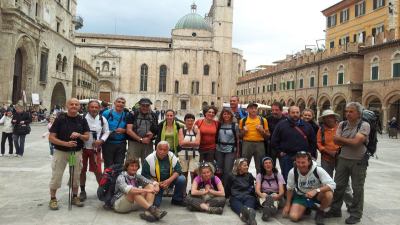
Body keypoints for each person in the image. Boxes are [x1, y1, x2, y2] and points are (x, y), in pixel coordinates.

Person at [325, 102, 370, 224]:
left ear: (359, 113)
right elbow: (336, 140)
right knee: (339, 186)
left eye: (351, 111)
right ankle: (335, 210)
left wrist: (343, 140)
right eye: (346, 111)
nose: (348, 114)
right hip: (343, 159)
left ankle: (356, 214)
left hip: (358, 161)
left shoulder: (364, 125)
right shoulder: (342, 124)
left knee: (357, 189)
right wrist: (350, 140)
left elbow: (356, 143)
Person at [48, 98, 90, 210]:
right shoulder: (60, 119)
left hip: (74, 154)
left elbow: (87, 137)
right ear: (67, 105)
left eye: (76, 104)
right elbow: (51, 137)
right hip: (61, 153)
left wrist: (79, 135)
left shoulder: (82, 120)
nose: (74, 106)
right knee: (57, 175)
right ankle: (53, 199)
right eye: (72, 104)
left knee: (75, 175)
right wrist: (65, 144)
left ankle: (75, 196)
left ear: (79, 107)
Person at [283, 152, 336, 225]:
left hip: (317, 194)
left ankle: (320, 211)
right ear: (295, 162)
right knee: (293, 217)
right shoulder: (292, 172)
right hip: (301, 195)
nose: (301, 165)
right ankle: (308, 206)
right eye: (298, 162)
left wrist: (316, 190)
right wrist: (287, 205)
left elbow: (332, 185)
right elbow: (289, 189)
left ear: (309, 161)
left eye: (303, 162)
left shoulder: (318, 169)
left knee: (329, 194)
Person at [317, 109, 353, 210]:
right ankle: (329, 202)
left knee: (344, 182)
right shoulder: (321, 129)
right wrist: (328, 151)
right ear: (323, 119)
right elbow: (318, 143)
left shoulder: (341, 127)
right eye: (326, 117)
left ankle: (350, 204)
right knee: (326, 181)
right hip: (326, 158)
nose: (329, 119)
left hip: (341, 158)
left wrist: (338, 152)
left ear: (334, 117)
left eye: (331, 117)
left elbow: (346, 141)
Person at [271, 106, 316, 182]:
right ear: (288, 113)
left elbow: (313, 141)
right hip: (287, 157)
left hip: (303, 157)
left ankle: (300, 193)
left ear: (300, 113)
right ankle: (287, 193)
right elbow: (274, 140)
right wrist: (279, 152)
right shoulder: (281, 125)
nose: (295, 114)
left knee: (303, 177)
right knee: (287, 177)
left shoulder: (307, 125)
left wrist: (310, 153)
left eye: (297, 112)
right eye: (293, 112)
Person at [79, 100, 110, 201]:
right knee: (81, 170)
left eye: (96, 107)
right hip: (82, 149)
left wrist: (101, 140)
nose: (94, 109)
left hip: (95, 150)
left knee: (98, 171)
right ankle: (82, 191)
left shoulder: (102, 119)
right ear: (88, 108)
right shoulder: (81, 118)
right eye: (92, 107)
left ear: (99, 108)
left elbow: (107, 132)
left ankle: (101, 190)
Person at [141, 141, 186, 207]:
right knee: (156, 204)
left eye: (165, 150)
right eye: (160, 149)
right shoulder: (148, 159)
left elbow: (178, 170)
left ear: (168, 150)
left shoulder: (172, 156)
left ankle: (177, 199)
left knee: (182, 179)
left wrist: (168, 181)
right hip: (155, 183)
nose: (162, 152)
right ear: (156, 149)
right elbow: (144, 176)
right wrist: (156, 183)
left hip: (168, 181)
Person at [239, 103, 269, 174]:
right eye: (251, 108)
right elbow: (239, 136)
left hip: (259, 144)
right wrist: (244, 131)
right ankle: (244, 182)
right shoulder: (243, 121)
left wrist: (262, 131)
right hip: (246, 143)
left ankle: (259, 182)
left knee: (260, 166)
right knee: (244, 164)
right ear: (247, 110)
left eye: (255, 108)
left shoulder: (263, 120)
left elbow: (268, 135)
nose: (254, 110)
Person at [226, 158, 258, 225]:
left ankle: (245, 216)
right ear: (239, 167)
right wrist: (227, 197)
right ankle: (249, 218)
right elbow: (228, 188)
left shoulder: (249, 175)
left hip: (248, 197)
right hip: (235, 198)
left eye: (247, 165)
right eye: (244, 165)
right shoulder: (231, 176)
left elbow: (252, 188)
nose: (247, 167)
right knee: (243, 209)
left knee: (248, 207)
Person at [126, 98, 158, 163]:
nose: (145, 107)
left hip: (148, 143)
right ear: (139, 105)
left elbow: (155, 129)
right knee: (131, 163)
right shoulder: (133, 114)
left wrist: (151, 135)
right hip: (134, 143)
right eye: (143, 105)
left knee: (148, 164)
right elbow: (129, 130)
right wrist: (141, 140)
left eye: (147, 106)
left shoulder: (153, 115)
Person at [255, 157, 285, 221]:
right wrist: (261, 194)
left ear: (272, 165)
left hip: (275, 194)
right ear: (263, 166)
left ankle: (267, 210)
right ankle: (271, 209)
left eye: (269, 163)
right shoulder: (260, 175)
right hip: (265, 194)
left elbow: (282, 191)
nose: (268, 165)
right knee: (265, 198)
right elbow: (257, 190)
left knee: (273, 198)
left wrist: (278, 196)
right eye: (265, 163)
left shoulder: (278, 175)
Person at [215, 108, 239, 186]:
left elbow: (238, 139)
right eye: (224, 114)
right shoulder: (219, 124)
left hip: (231, 150)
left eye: (228, 114)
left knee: (228, 171)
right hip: (219, 149)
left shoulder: (235, 125)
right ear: (222, 115)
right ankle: (219, 187)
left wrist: (237, 151)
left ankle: (226, 188)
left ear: (231, 115)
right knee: (219, 169)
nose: (226, 115)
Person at [102, 97, 128, 169]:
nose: (120, 104)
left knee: (119, 166)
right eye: (119, 102)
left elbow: (130, 128)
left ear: (124, 105)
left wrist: (124, 130)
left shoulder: (126, 115)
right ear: (115, 103)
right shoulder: (106, 113)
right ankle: (108, 180)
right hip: (108, 143)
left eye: (123, 103)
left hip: (121, 144)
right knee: (108, 166)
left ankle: (117, 180)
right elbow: (100, 127)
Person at [178, 113, 201, 185]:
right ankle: (183, 190)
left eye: (192, 120)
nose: (190, 122)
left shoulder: (196, 130)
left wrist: (186, 142)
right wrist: (193, 142)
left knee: (193, 173)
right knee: (184, 173)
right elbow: (181, 143)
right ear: (185, 121)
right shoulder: (182, 130)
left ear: (194, 121)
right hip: (183, 154)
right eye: (188, 120)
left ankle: (193, 189)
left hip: (194, 154)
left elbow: (197, 143)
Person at [266, 102, 286, 166]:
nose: (274, 112)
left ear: (281, 110)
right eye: (273, 110)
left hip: (282, 147)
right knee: (271, 166)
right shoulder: (267, 119)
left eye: (276, 110)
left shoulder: (286, 120)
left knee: (284, 166)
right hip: (271, 147)